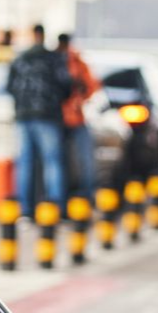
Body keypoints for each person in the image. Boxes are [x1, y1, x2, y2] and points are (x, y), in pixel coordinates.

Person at [6, 24, 71, 218]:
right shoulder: (53, 59)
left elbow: (10, 86)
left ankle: (25, 210)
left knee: (25, 163)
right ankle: (54, 209)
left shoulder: (20, 58)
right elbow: (65, 85)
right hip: (47, 116)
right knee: (53, 162)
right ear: (43, 36)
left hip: (23, 116)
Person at [57, 32, 100, 201]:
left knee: (70, 159)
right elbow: (92, 85)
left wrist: (78, 101)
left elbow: (91, 86)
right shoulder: (76, 60)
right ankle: (85, 195)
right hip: (70, 117)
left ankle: (80, 195)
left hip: (65, 117)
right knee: (81, 158)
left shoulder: (66, 61)